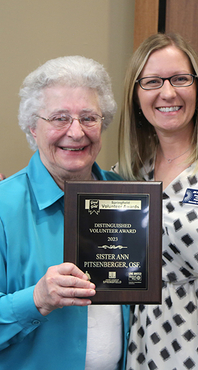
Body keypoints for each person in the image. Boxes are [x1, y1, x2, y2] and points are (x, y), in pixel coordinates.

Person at [115, 32, 198, 369]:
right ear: (135, 96)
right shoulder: (128, 174)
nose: (168, 92)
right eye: (152, 82)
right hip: (145, 343)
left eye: (180, 79)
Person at [0, 56, 130, 370]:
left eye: (89, 118)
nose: (76, 132)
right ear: (32, 126)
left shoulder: (128, 196)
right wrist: (36, 299)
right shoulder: (4, 206)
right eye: (60, 118)